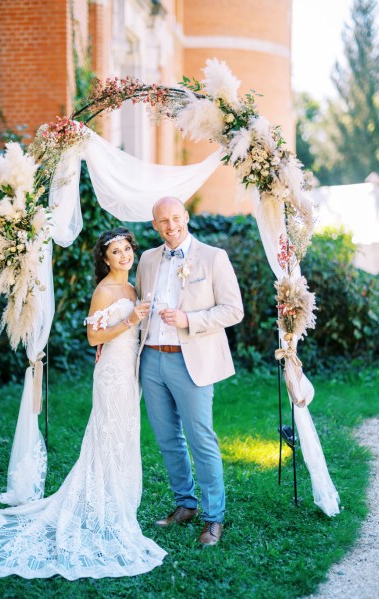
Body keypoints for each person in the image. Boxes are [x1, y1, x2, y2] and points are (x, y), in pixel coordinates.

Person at [0, 227, 166, 580]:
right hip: (112, 373)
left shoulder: (132, 287)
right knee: (107, 433)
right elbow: (93, 337)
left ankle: (116, 494)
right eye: (115, 252)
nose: (124, 255)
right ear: (104, 259)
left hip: (129, 368)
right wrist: (130, 319)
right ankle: (100, 501)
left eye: (127, 249)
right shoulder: (104, 291)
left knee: (124, 433)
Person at [136, 197, 244, 546]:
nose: (171, 225)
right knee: (167, 439)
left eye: (176, 218)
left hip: (191, 360)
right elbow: (138, 304)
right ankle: (185, 504)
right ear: (155, 225)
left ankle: (214, 518)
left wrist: (190, 320)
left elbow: (233, 310)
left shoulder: (214, 257)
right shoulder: (148, 259)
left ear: (186, 217)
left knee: (201, 439)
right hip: (151, 359)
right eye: (163, 221)